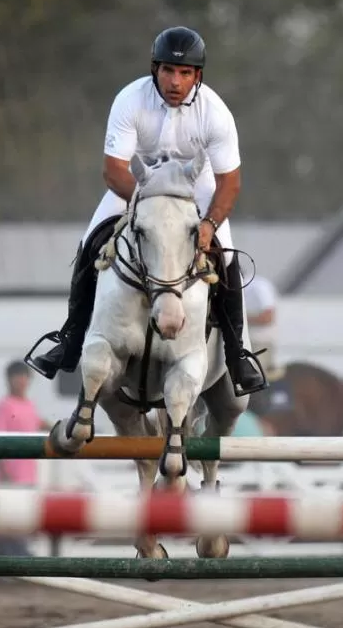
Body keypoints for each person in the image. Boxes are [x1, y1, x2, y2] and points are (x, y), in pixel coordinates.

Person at [25, 26, 267, 398]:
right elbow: (113, 171)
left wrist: (209, 223)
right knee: (91, 243)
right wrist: (148, 206)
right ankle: (70, 339)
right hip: (136, 191)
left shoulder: (215, 113)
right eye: (168, 71)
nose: (175, 81)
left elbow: (229, 183)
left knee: (227, 257)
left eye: (185, 73)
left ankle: (237, 355)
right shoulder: (130, 100)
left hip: (195, 194)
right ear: (155, 69)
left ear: (197, 76)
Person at [0, 360, 47, 556]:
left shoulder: (30, 405)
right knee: (11, 518)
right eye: (17, 377)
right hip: (11, 473)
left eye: (24, 377)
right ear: (9, 381)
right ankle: (19, 557)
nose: (21, 381)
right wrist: (4, 469)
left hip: (28, 472)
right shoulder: (4, 406)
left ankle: (5, 560)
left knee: (21, 517)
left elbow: (38, 424)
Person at [244, 274, 282, 382]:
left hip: (260, 342)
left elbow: (268, 317)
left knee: (256, 377)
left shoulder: (258, 287)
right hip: (248, 342)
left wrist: (239, 319)